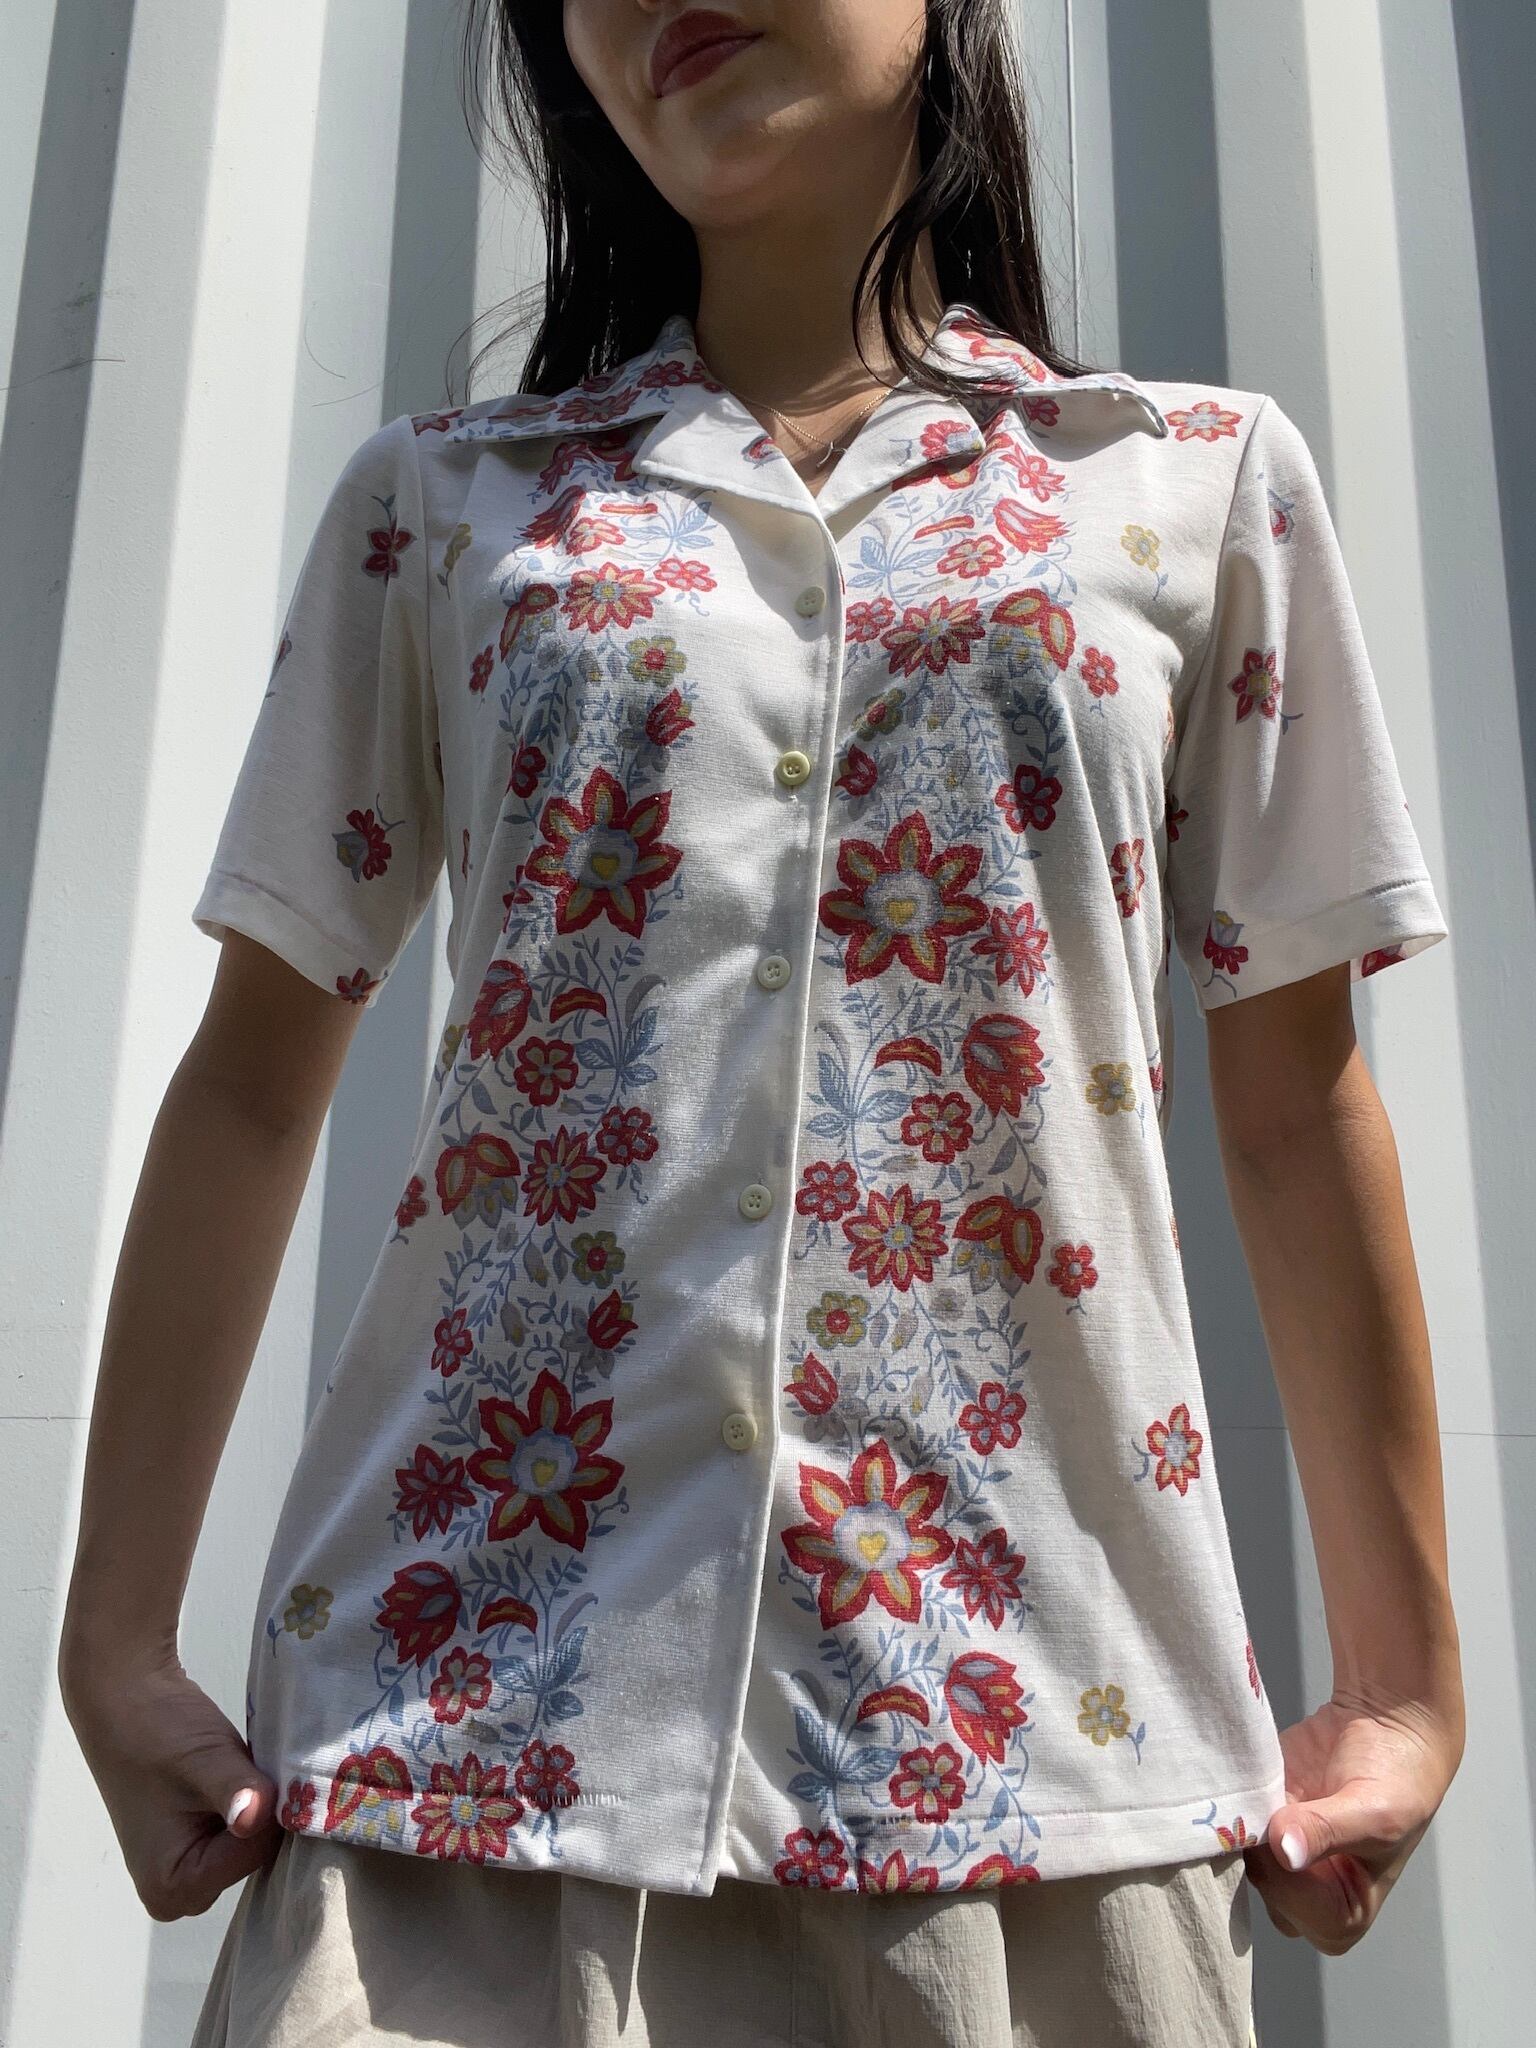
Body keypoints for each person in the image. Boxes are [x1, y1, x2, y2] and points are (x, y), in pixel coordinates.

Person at [57, 3, 1466, 2043]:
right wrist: (113, 1638)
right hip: (458, 1762)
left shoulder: (1188, 488)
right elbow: (255, 1085)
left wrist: (1407, 1677)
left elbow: (1295, 1104)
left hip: (1033, 1754)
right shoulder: (448, 512)